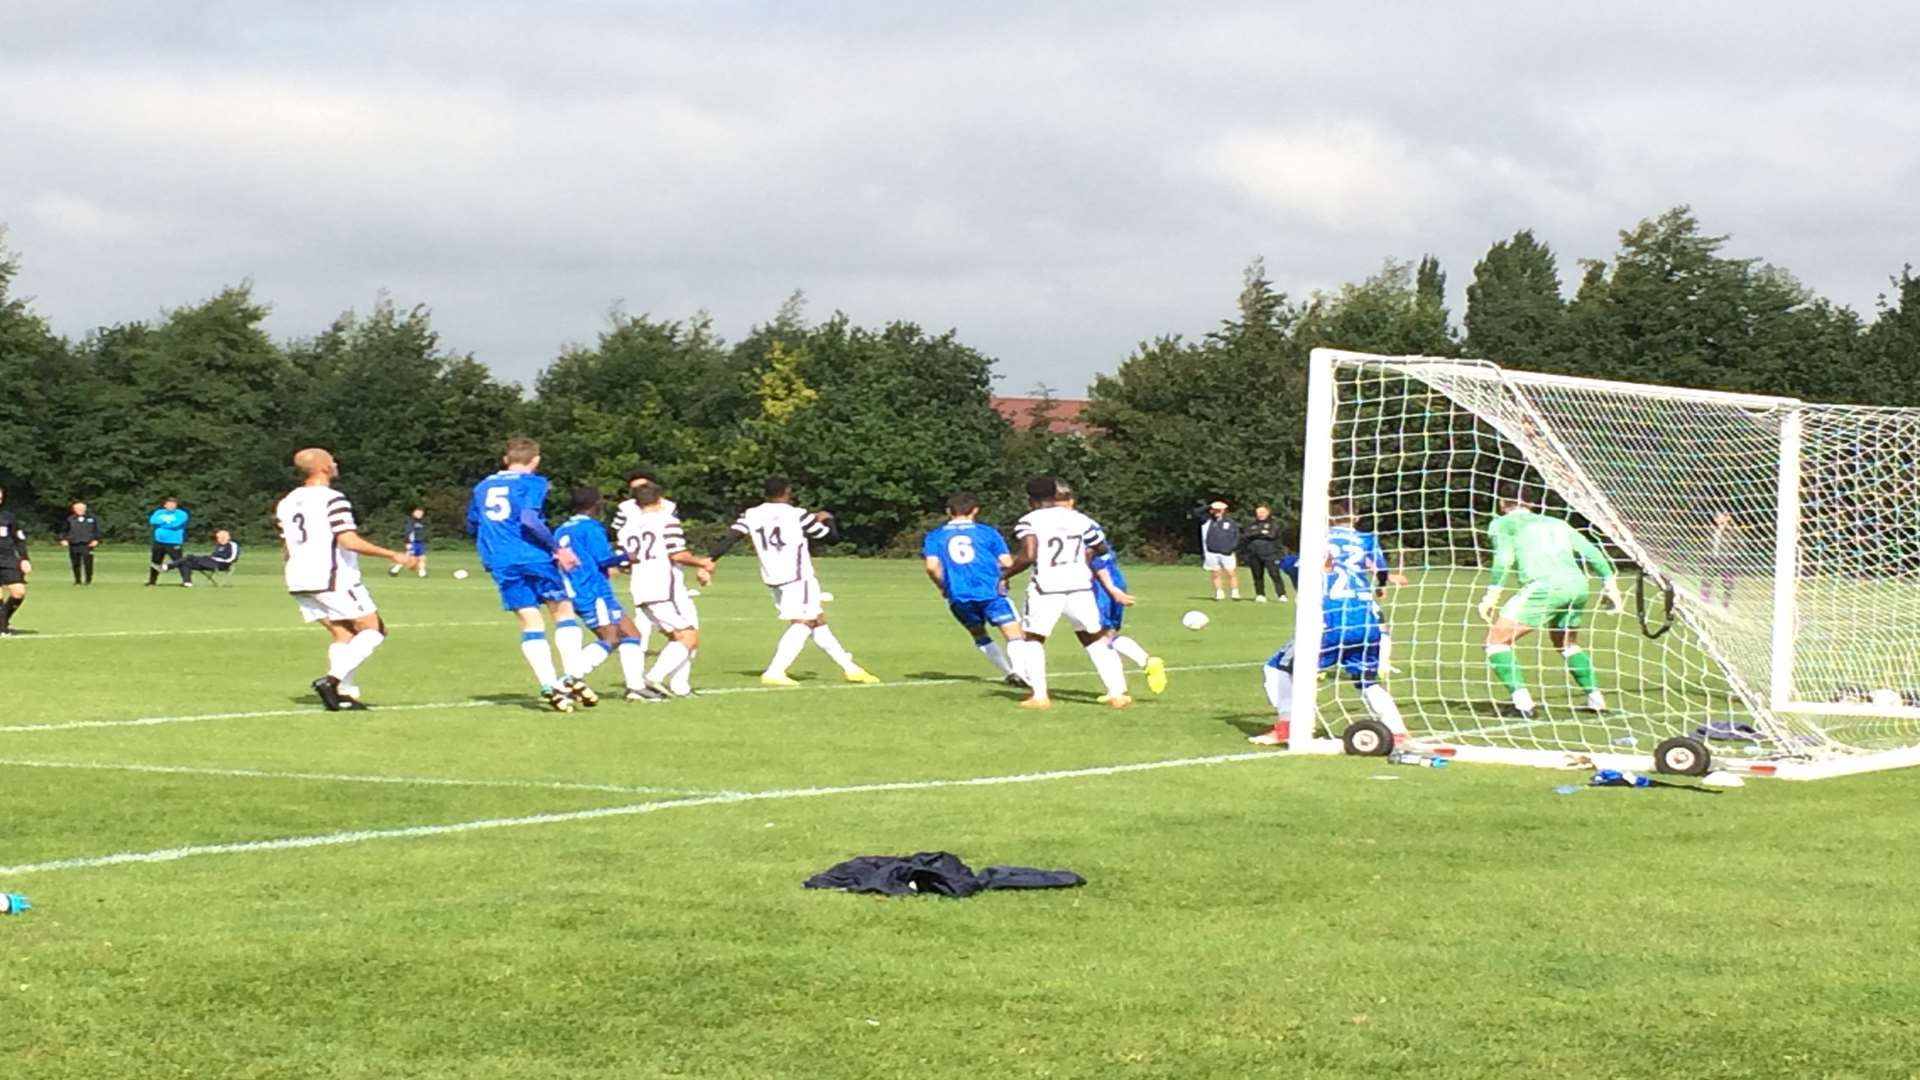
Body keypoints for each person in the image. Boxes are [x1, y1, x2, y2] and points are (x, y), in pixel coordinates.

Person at [1250, 501, 1407, 746]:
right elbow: (1381, 570)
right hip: (1367, 622)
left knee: (1277, 668)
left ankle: (1287, 726)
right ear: (1354, 517)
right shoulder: (1365, 539)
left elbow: (1312, 567)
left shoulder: (1304, 552)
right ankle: (1397, 730)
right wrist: (1381, 585)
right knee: (1367, 679)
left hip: (1331, 624)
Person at [275, 448, 415, 710]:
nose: (336, 463)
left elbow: (286, 546)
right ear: (323, 467)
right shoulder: (332, 498)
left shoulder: (287, 501)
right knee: (374, 629)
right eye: (331, 460)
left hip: (297, 576)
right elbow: (348, 541)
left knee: (343, 634)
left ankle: (345, 694)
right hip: (331, 575)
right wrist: (392, 555)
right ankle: (331, 681)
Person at [711, 476, 878, 687]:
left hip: (772, 577)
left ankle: (851, 669)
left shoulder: (751, 514)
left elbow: (731, 537)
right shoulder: (798, 515)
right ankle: (775, 671)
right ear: (788, 492)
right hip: (798, 577)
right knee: (805, 621)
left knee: (817, 620)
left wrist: (710, 559)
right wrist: (827, 519)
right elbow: (831, 538)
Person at [466, 437, 594, 712]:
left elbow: (473, 524)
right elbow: (529, 519)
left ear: (505, 459)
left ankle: (549, 684)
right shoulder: (533, 483)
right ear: (535, 460)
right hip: (532, 556)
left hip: (500, 560)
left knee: (530, 621)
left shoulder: (482, 486)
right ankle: (571, 675)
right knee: (563, 612)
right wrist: (557, 549)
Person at [1476, 484, 1622, 718]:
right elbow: (1591, 552)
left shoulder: (1502, 524)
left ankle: (1522, 704)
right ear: (1532, 504)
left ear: (1502, 503)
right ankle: (1596, 699)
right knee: (1566, 643)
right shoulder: (1557, 523)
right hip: (1578, 586)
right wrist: (1609, 584)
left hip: (1545, 586)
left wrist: (1492, 594)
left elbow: (1503, 559)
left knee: (1496, 642)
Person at [1002, 476, 1132, 709]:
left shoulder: (1028, 521)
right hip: (1080, 585)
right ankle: (1117, 693)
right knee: (1094, 637)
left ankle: (1040, 696)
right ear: (1054, 495)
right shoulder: (1079, 519)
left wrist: (1005, 574)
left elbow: (1029, 554)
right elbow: (1101, 547)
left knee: (1033, 638)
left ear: (1030, 500)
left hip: (1046, 587)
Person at [555, 487, 665, 701]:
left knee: (632, 634)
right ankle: (567, 681)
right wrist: (626, 557)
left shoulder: (561, 529)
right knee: (611, 638)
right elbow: (603, 558)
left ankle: (635, 687)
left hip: (576, 587)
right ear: (596, 504)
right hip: (592, 589)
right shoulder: (590, 528)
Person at [1059, 485, 1167, 695]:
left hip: (1096, 582)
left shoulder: (1072, 525)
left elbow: (1093, 558)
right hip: (1109, 578)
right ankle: (1136, 672)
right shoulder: (1085, 522)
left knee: (1093, 636)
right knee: (1103, 635)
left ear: (1070, 501)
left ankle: (1128, 680)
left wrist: (1110, 589)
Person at [616, 480, 716, 698]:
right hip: (664, 587)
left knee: (676, 636)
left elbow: (624, 565)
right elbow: (677, 553)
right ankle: (652, 679)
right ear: (660, 499)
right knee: (689, 637)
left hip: (640, 588)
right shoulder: (667, 521)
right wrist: (702, 563)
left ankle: (668, 684)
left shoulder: (626, 529)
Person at [921, 492, 1027, 687]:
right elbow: (1007, 561)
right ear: (975, 510)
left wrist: (943, 586)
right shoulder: (987, 532)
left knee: (979, 634)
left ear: (948, 511)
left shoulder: (935, 536)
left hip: (959, 595)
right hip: (991, 591)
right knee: (1014, 634)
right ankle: (1019, 672)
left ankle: (1008, 672)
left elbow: (931, 566)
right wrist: (1005, 577)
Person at [1241, 504, 1289, 604]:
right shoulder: (1252, 524)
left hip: (1270, 553)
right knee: (1257, 575)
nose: (1260, 514)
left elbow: (1271, 535)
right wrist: (1261, 533)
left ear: (1268, 512)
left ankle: (1282, 594)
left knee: (1275, 575)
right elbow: (1246, 535)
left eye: (1262, 512)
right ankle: (1260, 594)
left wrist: (1256, 533)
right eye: (1258, 512)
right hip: (1254, 553)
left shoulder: (1274, 524)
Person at [0, 487, 30, 638]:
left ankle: (3, 621)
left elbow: (19, 540)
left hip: (8, 559)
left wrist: (24, 559)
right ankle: (2, 627)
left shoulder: (8, 517)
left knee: (18, 592)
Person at [1197, 500, 1241, 601]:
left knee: (1231, 573)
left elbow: (1236, 536)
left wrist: (1231, 547)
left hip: (1227, 552)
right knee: (1216, 573)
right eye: (1215, 510)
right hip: (1212, 551)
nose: (1217, 512)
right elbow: (1196, 513)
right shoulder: (1208, 520)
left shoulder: (1230, 522)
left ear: (1224, 511)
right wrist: (1209, 506)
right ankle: (1219, 592)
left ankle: (1235, 592)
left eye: (1219, 510)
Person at [166, 529, 241, 586]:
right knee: (186, 563)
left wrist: (218, 558)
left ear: (227, 537)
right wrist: (213, 557)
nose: (218, 539)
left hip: (221, 565)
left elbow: (233, 558)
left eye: (220, 537)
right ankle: (187, 582)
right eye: (218, 537)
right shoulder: (219, 546)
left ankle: (168, 566)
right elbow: (214, 555)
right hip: (210, 562)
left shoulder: (232, 545)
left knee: (190, 556)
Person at [147, 497, 189, 586]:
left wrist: (162, 524)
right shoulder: (159, 512)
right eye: (169, 504)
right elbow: (153, 521)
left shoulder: (182, 514)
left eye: (173, 504)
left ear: (176, 505)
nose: (171, 506)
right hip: (159, 541)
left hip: (174, 542)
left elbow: (175, 524)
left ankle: (186, 581)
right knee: (155, 561)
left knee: (179, 561)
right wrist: (167, 523)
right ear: (165, 505)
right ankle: (152, 582)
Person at [1701, 510, 1737, 609]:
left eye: (1725, 517)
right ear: (1716, 519)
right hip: (1711, 559)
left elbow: (1739, 545)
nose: (1722, 520)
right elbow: (1704, 544)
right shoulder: (1710, 530)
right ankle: (1705, 601)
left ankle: (1726, 605)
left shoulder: (1732, 532)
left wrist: (1731, 556)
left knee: (1728, 585)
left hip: (1727, 561)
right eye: (1720, 517)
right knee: (1706, 581)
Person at [60, 501, 102, 585]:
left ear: (85, 509)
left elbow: (97, 530)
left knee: (88, 563)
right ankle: (77, 580)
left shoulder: (92, 518)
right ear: (74, 509)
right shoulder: (70, 519)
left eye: (81, 508)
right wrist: (63, 539)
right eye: (77, 508)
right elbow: (64, 530)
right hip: (74, 544)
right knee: (75, 563)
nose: (79, 510)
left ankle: (88, 580)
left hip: (87, 544)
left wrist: (96, 540)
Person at [390, 508, 430, 578]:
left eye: (421, 513)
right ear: (414, 514)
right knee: (408, 558)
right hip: (413, 543)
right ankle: (395, 569)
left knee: (422, 558)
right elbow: (408, 533)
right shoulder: (411, 522)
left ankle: (422, 572)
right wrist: (408, 542)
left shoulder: (422, 523)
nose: (419, 514)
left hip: (420, 543)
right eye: (417, 513)